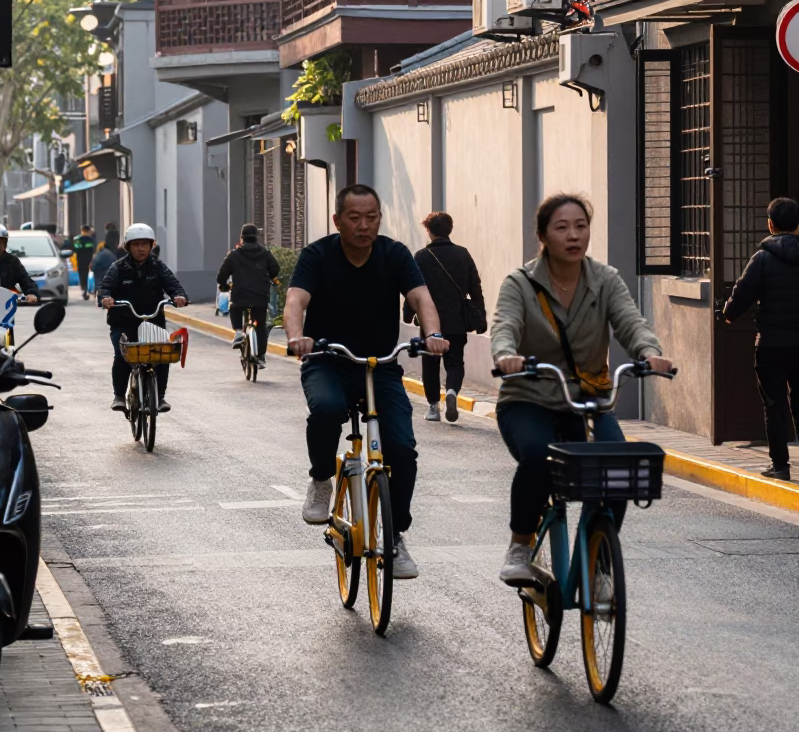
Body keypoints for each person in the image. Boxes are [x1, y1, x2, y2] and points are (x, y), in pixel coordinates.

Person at [491, 194, 672, 586]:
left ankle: (599, 560)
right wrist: (506, 354)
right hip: (528, 400)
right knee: (539, 458)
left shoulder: (605, 279)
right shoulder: (520, 283)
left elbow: (630, 321)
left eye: (581, 226)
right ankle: (519, 546)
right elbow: (505, 324)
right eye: (562, 227)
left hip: (587, 403)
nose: (573, 235)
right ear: (542, 235)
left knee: (619, 472)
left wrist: (650, 351)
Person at [284, 184, 448, 580]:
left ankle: (395, 536)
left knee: (402, 449)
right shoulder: (317, 255)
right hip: (327, 359)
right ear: (338, 220)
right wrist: (295, 336)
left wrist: (433, 334)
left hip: (380, 365)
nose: (363, 226)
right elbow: (295, 301)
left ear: (379, 219)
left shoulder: (394, 254)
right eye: (354, 218)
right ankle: (322, 478)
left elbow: (422, 298)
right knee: (325, 409)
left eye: (371, 217)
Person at [723, 196, 799, 481]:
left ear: (770, 224)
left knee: (775, 405)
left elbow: (740, 296)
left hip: (771, 345)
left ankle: (780, 466)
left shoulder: (763, 259)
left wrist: (729, 313)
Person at [99, 222, 188, 414]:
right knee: (121, 356)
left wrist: (179, 296)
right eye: (136, 244)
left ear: (151, 246)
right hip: (123, 321)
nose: (141, 248)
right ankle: (119, 396)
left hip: (152, 321)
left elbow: (172, 284)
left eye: (145, 244)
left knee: (162, 355)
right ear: (128, 247)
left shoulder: (158, 266)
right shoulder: (118, 267)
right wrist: (105, 298)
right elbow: (105, 287)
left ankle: (160, 397)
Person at [407, 211, 485, 424]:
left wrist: (408, 313)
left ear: (429, 231)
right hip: (457, 319)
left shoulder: (421, 256)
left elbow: (414, 287)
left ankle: (433, 406)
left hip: (428, 320)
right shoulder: (463, 254)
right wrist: (481, 317)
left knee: (430, 365)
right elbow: (475, 287)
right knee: (455, 362)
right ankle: (451, 391)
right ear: (449, 230)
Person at [216, 224, 279, 366]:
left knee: (235, 307)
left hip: (240, 295)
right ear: (256, 237)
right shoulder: (264, 253)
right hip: (260, 296)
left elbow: (221, 276)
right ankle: (261, 357)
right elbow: (275, 269)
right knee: (260, 325)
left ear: (242, 238)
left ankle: (238, 331)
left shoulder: (234, 255)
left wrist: (224, 286)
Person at [73, 225, 96, 301]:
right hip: (89, 261)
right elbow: (93, 250)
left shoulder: (77, 239)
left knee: (82, 275)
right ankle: (87, 290)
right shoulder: (91, 239)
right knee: (89, 276)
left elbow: (75, 249)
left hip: (80, 260)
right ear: (88, 231)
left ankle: (84, 289)